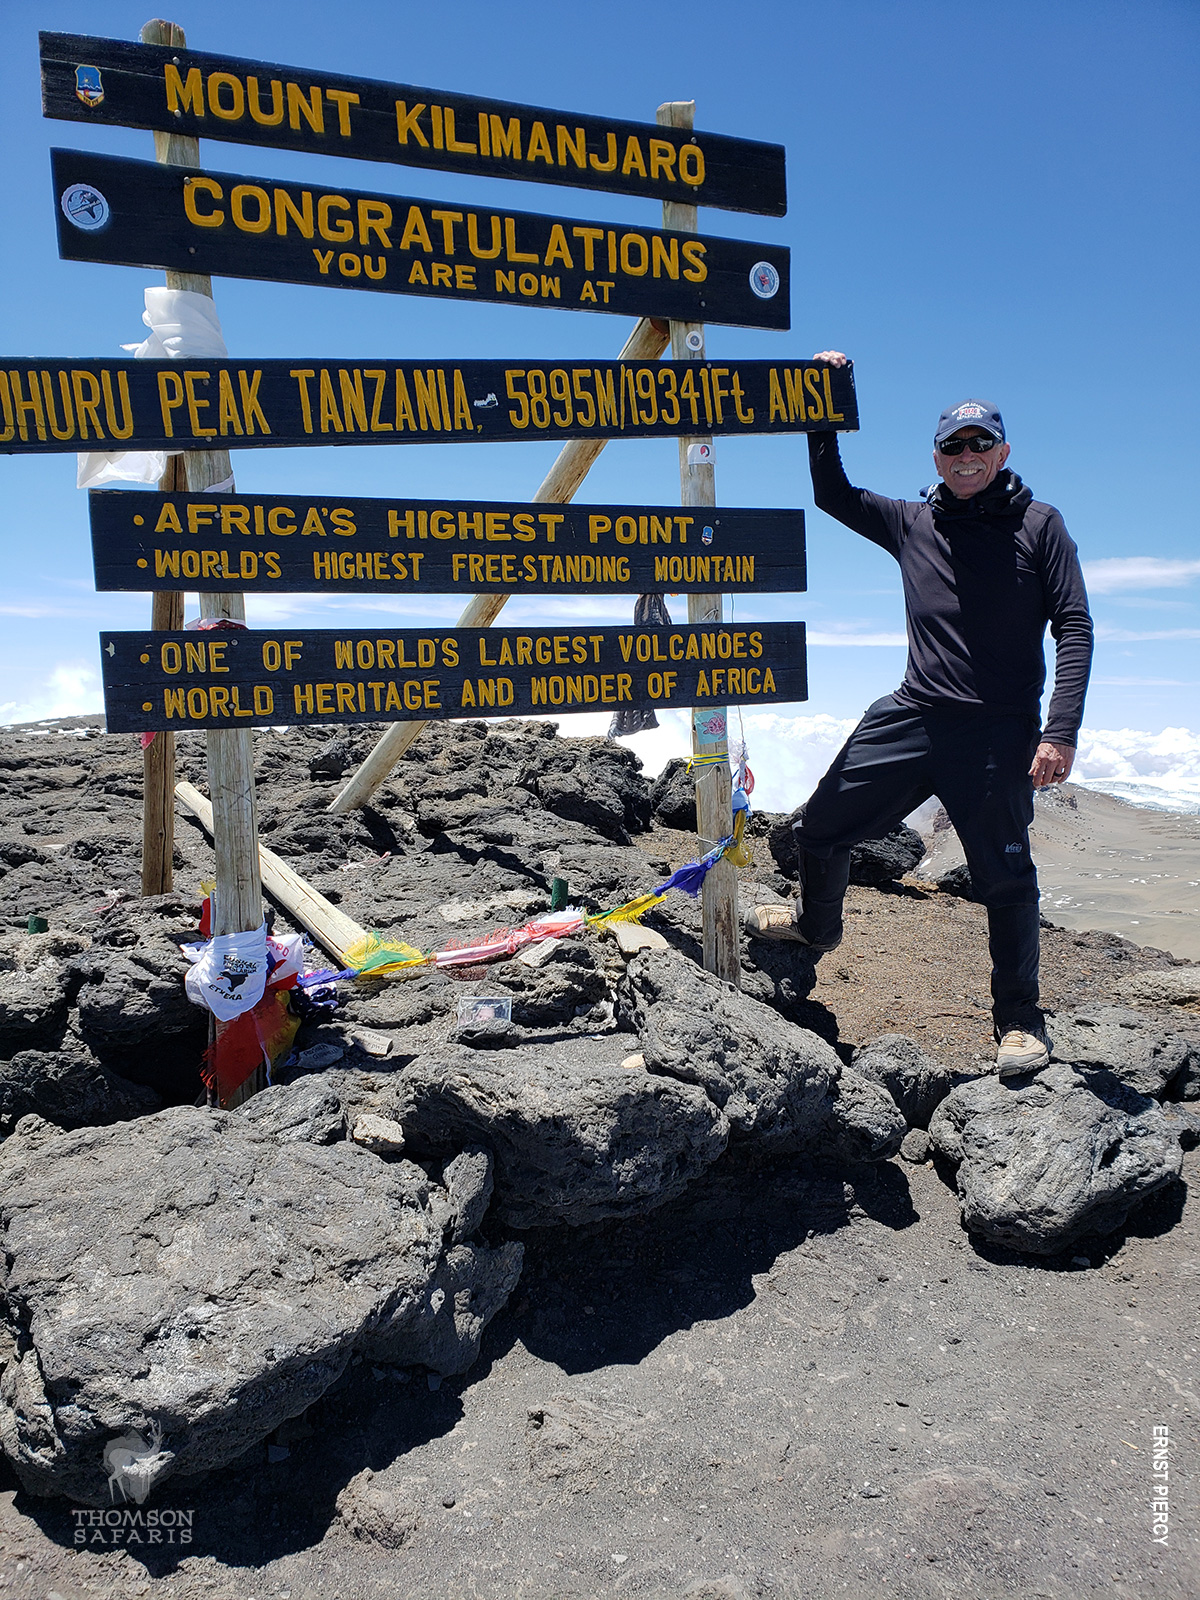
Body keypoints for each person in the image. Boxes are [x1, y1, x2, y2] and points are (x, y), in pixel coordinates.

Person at [746, 357, 1094, 1077]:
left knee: (1004, 878)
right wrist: (826, 403)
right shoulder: (913, 523)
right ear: (936, 455)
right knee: (819, 828)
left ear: (1002, 452)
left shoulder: (1040, 526)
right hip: (912, 714)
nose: (965, 457)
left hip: (998, 732)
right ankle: (816, 927)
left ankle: (1021, 1021)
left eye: (979, 444)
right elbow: (832, 493)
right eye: (952, 446)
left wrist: (1059, 730)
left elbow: (1075, 625)